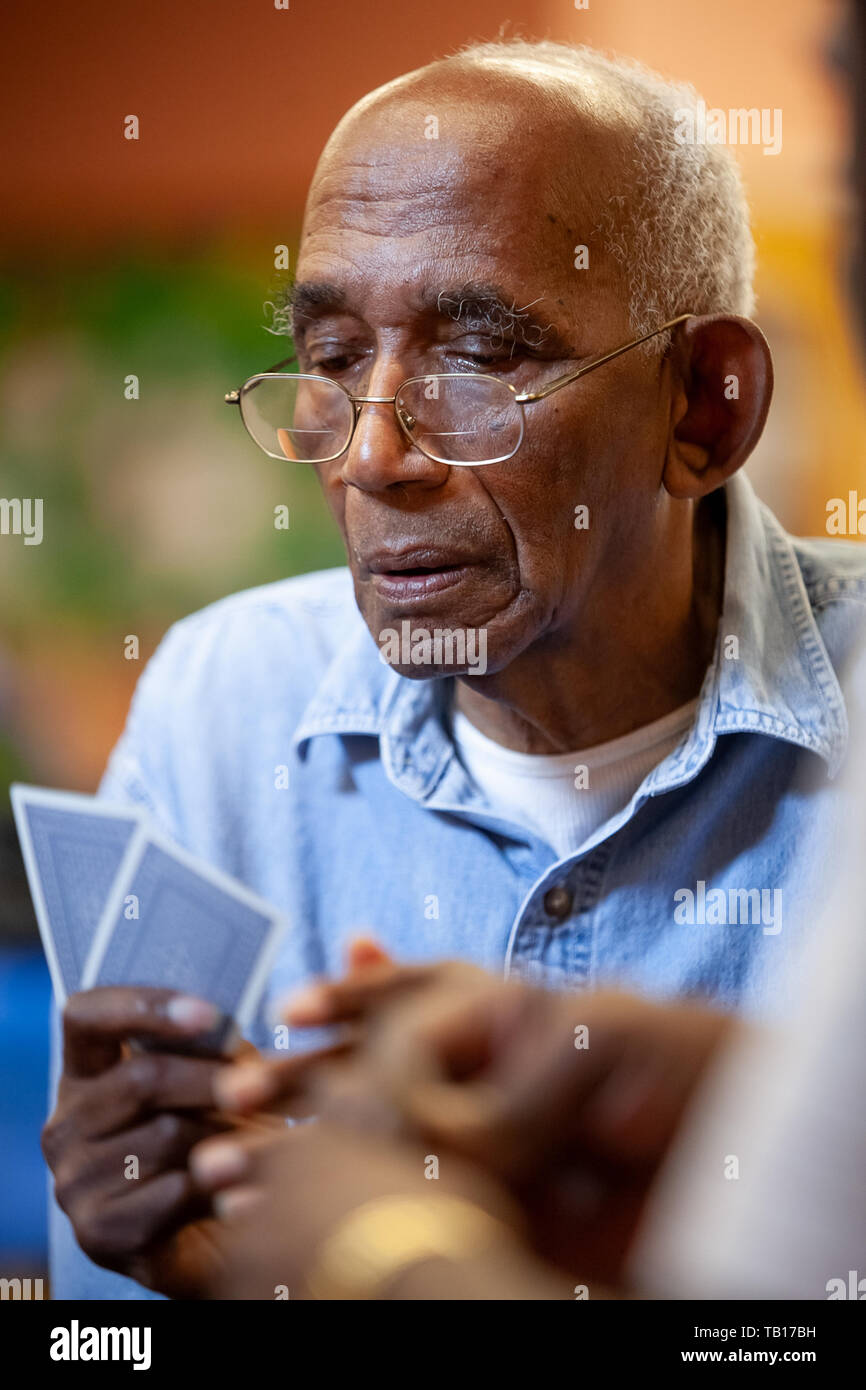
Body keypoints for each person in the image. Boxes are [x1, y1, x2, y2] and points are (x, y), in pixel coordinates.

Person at [45, 38, 866, 1299]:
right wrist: (167, 1258)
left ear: (703, 407)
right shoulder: (228, 702)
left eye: (476, 360)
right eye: (328, 361)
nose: (373, 455)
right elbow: (107, 1297)